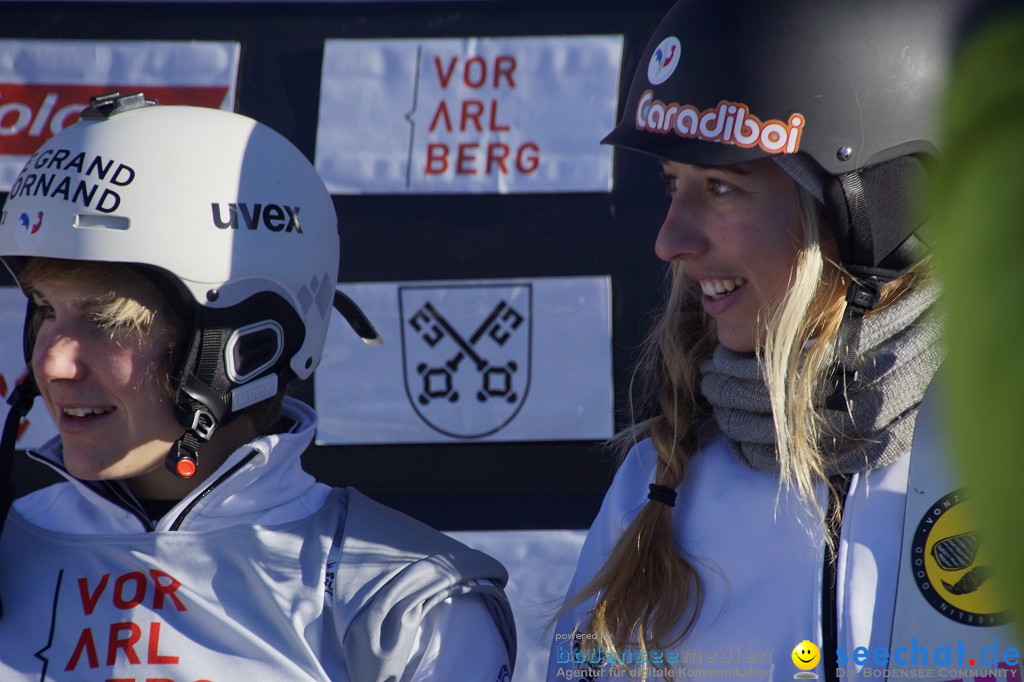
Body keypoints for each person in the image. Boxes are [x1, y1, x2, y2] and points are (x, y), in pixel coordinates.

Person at [550, 1, 1018, 680]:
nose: (669, 239)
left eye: (720, 187)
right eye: (672, 186)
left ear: (878, 210)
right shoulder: (653, 489)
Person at [0, 93, 515, 681]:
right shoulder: (8, 551)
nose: (53, 363)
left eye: (107, 322)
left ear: (246, 342)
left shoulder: (403, 603)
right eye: (43, 309)